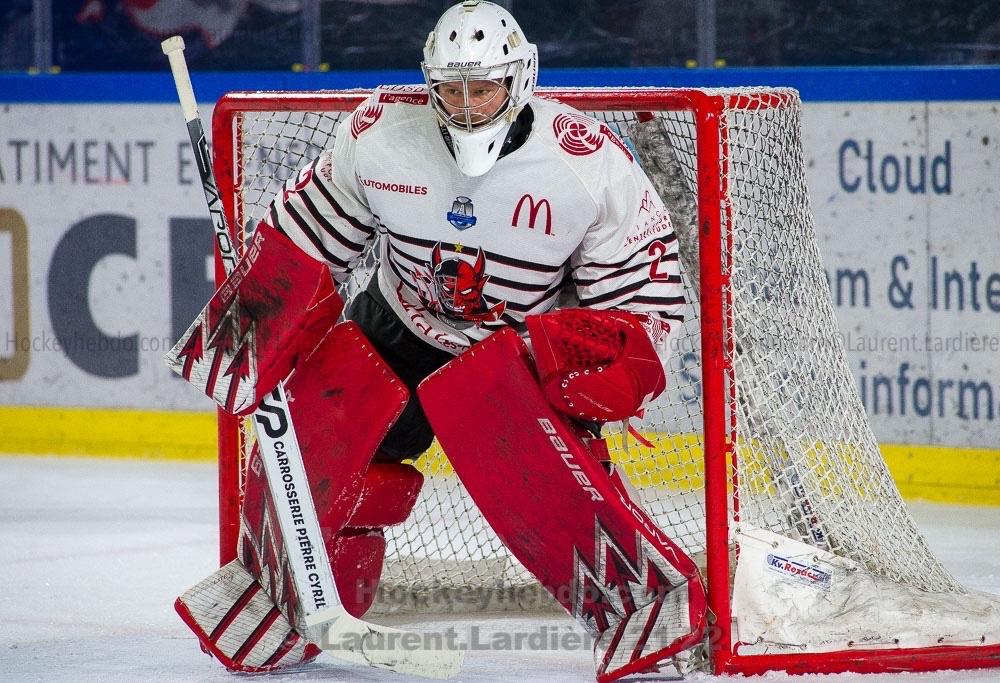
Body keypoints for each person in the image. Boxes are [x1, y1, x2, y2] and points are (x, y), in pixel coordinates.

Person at [261, 0, 685, 462]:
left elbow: (641, 298)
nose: (466, 106)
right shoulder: (381, 134)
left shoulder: (588, 162)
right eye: (451, 89)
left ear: (518, 80)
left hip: (524, 352)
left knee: (549, 488)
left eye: (482, 89)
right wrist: (263, 312)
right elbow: (304, 242)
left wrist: (622, 366)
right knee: (322, 454)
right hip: (399, 326)